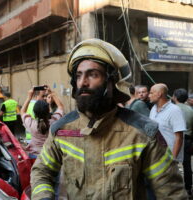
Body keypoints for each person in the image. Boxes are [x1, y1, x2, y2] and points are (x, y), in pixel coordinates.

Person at [31, 38, 187, 199]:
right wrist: (43, 196)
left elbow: (171, 193)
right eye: (78, 76)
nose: (83, 82)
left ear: (111, 82)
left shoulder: (144, 134)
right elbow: (42, 171)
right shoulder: (62, 130)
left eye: (93, 74)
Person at [21, 87, 63, 158]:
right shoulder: (54, 121)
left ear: (34, 112)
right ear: (48, 111)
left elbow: (22, 111)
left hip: (34, 156)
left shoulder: (31, 123)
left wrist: (29, 97)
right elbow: (60, 107)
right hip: (51, 155)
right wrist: (52, 93)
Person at [149, 83, 186, 163]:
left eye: (151, 93)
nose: (149, 95)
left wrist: (173, 159)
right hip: (157, 157)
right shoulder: (153, 109)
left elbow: (179, 137)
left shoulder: (174, 110)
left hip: (171, 160)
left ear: (159, 94)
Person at [172, 88, 193, 196]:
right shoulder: (191, 109)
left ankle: (172, 188)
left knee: (172, 164)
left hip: (174, 140)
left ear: (174, 97)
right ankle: (188, 188)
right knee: (187, 165)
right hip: (188, 140)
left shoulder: (172, 109)